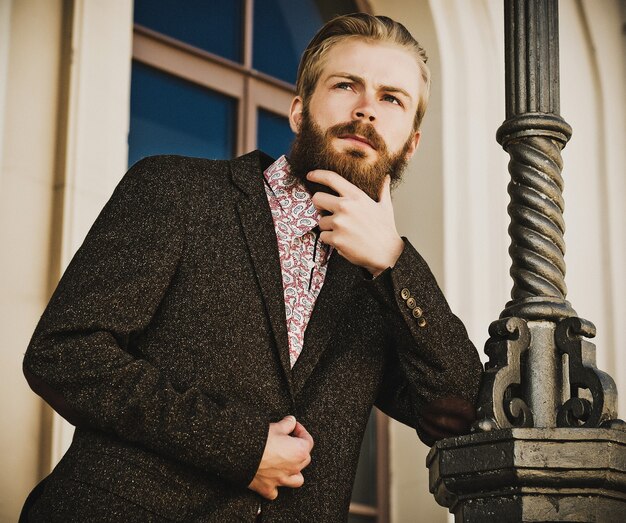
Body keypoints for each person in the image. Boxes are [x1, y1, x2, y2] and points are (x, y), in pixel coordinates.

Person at [21, 13, 482, 522]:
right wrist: (239, 448)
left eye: (392, 98)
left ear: (411, 143)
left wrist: (395, 263)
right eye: (346, 85)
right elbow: (63, 354)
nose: (367, 109)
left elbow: (460, 410)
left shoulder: (383, 286)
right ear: (299, 112)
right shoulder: (176, 190)